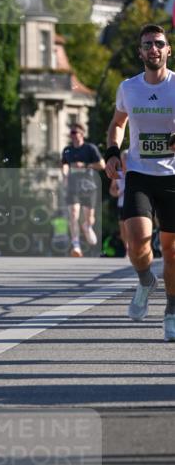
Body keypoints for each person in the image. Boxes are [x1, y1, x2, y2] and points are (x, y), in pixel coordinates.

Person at [105, 23, 175, 342]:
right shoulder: (128, 88)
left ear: (168, 50)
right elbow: (118, 124)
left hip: (173, 175)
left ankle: (171, 310)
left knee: (172, 252)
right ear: (140, 52)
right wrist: (111, 152)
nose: (153, 49)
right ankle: (146, 279)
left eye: (159, 43)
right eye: (147, 44)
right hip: (139, 173)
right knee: (137, 241)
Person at [60, 124, 105, 257]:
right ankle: (76, 245)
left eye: (75, 132)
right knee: (73, 214)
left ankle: (87, 226)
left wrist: (85, 165)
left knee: (89, 218)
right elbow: (64, 164)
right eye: (71, 133)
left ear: (82, 134)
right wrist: (64, 174)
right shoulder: (67, 150)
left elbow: (102, 165)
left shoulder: (90, 148)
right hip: (73, 186)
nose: (72, 135)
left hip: (88, 186)